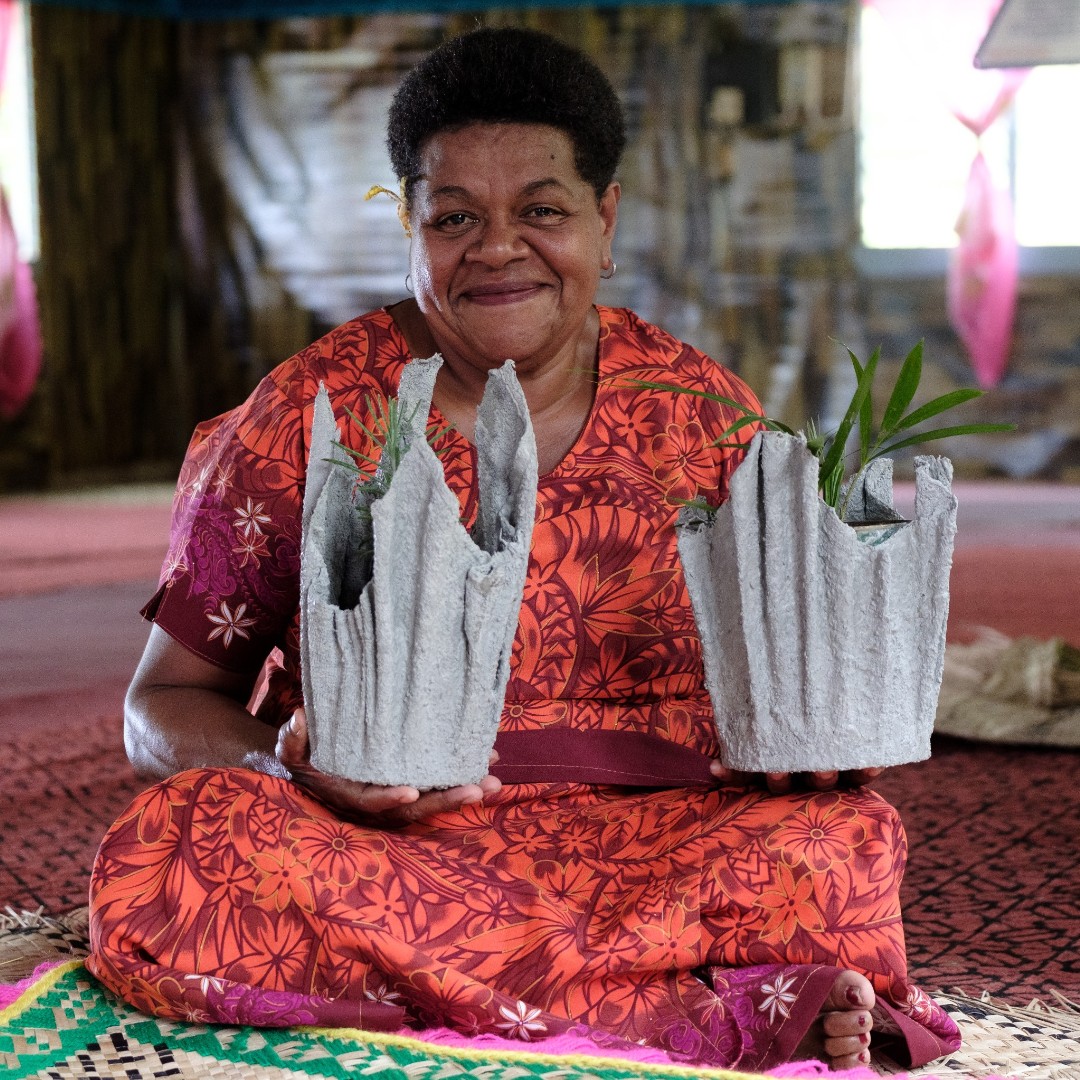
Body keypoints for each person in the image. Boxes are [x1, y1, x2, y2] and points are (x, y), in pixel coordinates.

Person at [88, 26, 960, 1073]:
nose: (497, 248)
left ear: (605, 219)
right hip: (394, 850)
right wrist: (283, 763)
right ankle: (695, 1013)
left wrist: (823, 747)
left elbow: (794, 685)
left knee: (844, 842)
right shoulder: (311, 415)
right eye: (455, 217)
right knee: (195, 837)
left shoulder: (700, 411)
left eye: (541, 211)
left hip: (661, 849)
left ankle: (492, 1000)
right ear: (409, 225)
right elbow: (162, 704)